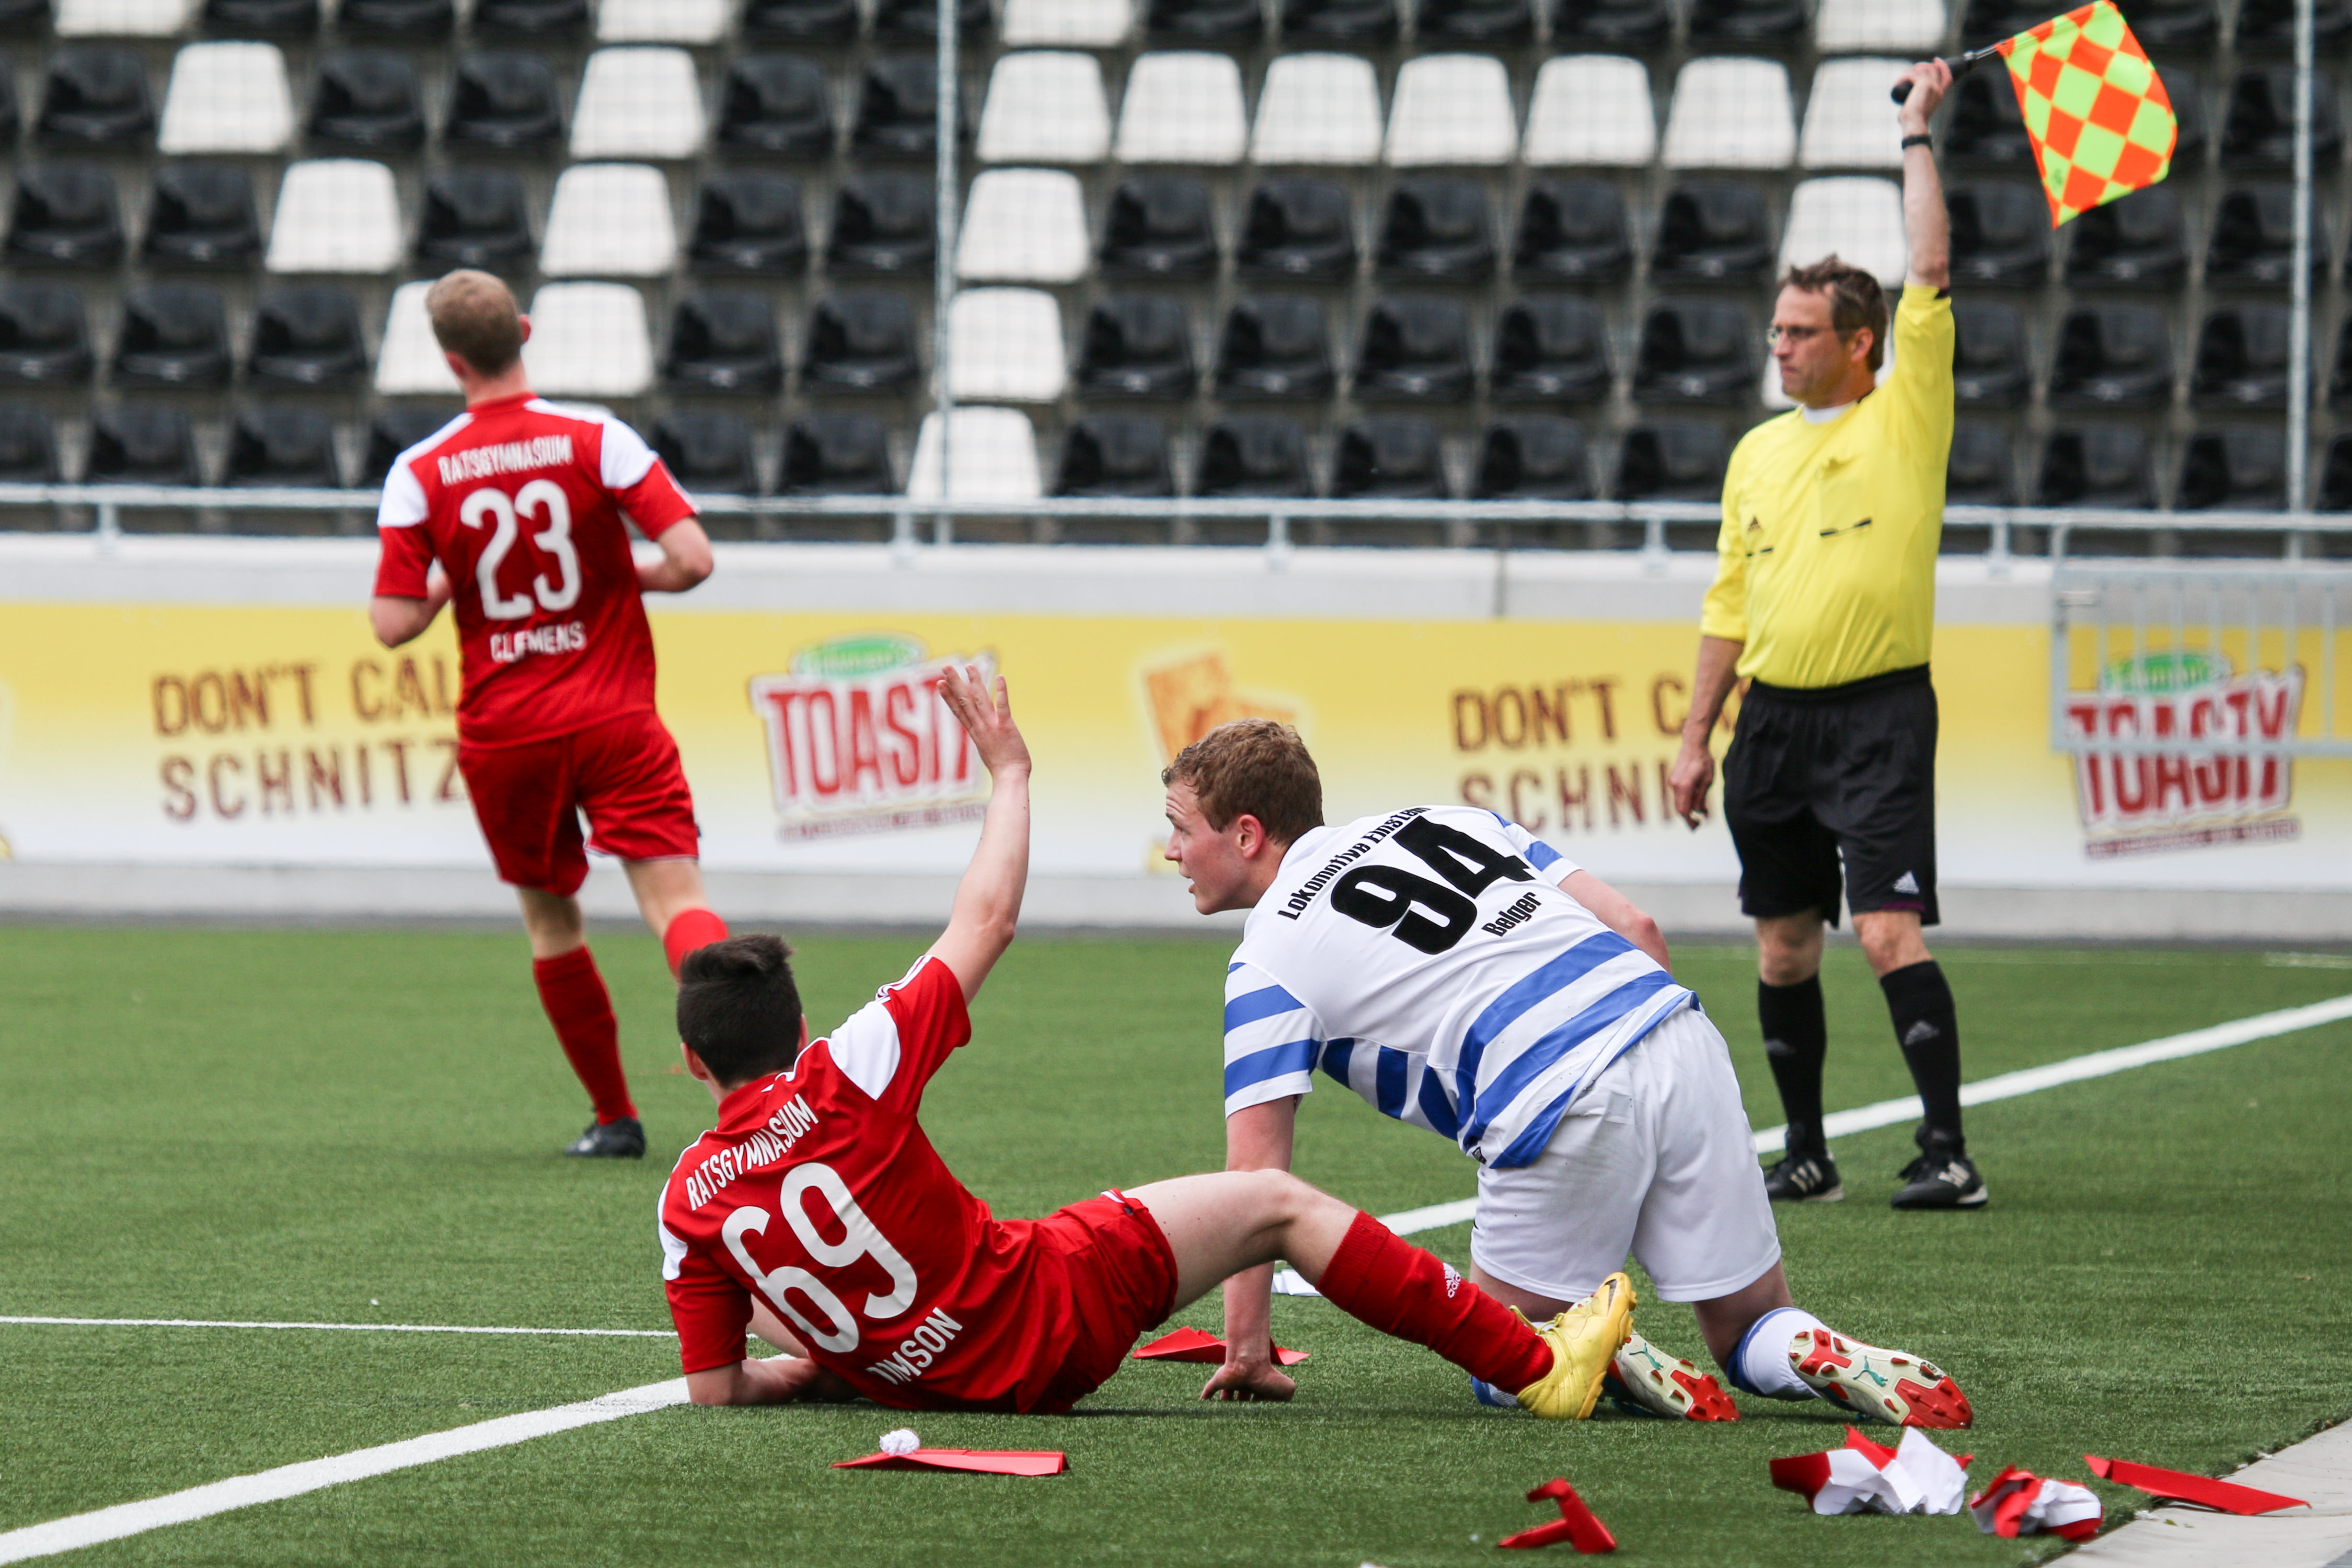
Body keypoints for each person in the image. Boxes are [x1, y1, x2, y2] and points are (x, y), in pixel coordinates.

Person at [659, 667, 1631, 1421]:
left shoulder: (685, 1202)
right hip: (1053, 1313)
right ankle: (1536, 1364)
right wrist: (1010, 774)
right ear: (798, 1030)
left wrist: (822, 1370)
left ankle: (871, 1353)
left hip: (931, 1381)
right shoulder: (842, 1072)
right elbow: (986, 920)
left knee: (767, 1287)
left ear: (694, 1062)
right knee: (1276, 1203)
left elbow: (717, 1390)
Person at [1162, 718, 1971, 1429]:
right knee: (1747, 1325)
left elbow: (1256, 1183)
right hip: (1676, 1032)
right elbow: (1638, 926)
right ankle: (1808, 1347)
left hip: (1553, 1091)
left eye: (1180, 828)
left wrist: (1247, 1350)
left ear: (1247, 834)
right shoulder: (1449, 818)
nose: (1171, 852)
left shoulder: (1266, 959)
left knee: (1500, 1354)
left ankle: (1600, 1355)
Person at [1666, 60, 1982, 1213]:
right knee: (1783, 947)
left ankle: (1948, 1152)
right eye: (1776, 330)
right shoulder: (1757, 451)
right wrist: (1696, 737)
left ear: (1862, 344)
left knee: (1888, 932)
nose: (1782, 347)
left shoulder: (1906, 414)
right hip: (1773, 726)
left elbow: (1930, 266)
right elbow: (1728, 606)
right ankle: (1806, 1151)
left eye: (1802, 332)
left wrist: (1915, 131)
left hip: (1879, 715)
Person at [368, 269, 732, 1160]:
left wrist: (457, 576)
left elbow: (392, 623)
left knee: (553, 924)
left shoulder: (419, 472)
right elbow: (692, 559)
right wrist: (618, 569)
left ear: (452, 362)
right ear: (523, 332)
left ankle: (615, 1120)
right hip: (615, 717)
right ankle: (763, 1095)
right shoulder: (598, 439)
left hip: (508, 735)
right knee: (678, 905)